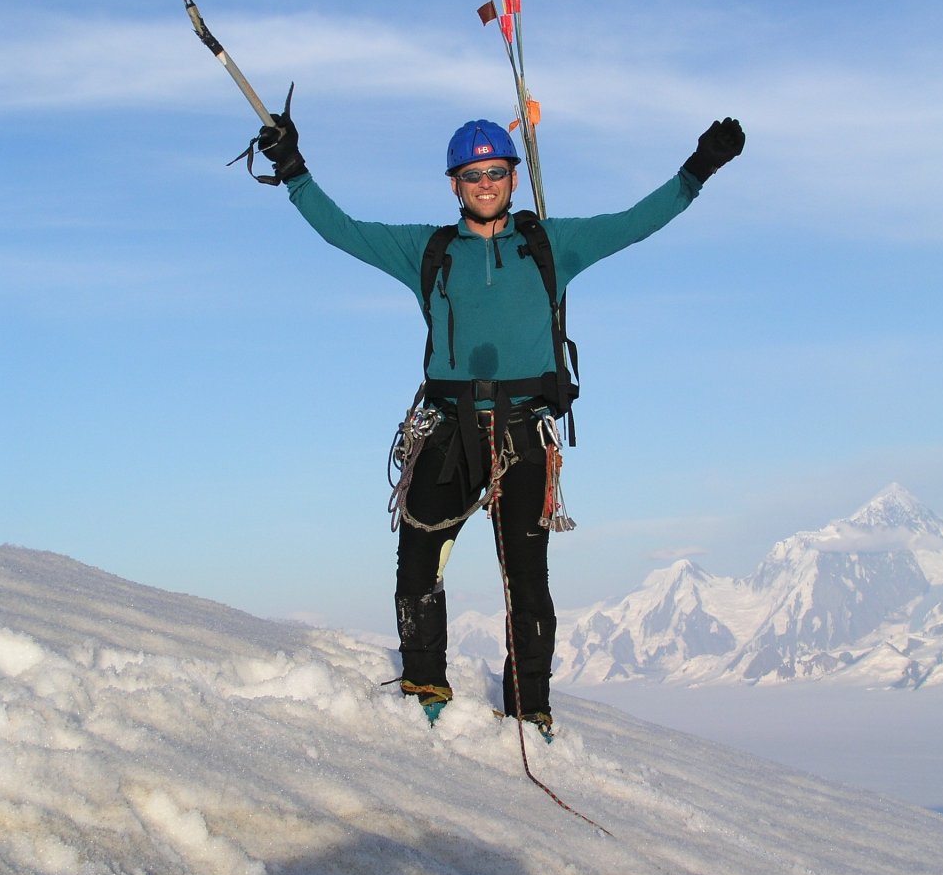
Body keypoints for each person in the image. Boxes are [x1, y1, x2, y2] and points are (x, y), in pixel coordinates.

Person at [257, 111, 745, 732]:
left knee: (526, 575)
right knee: (419, 557)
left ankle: (529, 708)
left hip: (522, 429)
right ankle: (425, 685)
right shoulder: (429, 252)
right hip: (448, 427)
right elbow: (344, 232)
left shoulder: (549, 246)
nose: (485, 183)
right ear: (454, 184)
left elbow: (634, 224)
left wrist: (697, 169)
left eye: (495, 171)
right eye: (472, 174)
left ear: (513, 178)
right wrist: (293, 170)